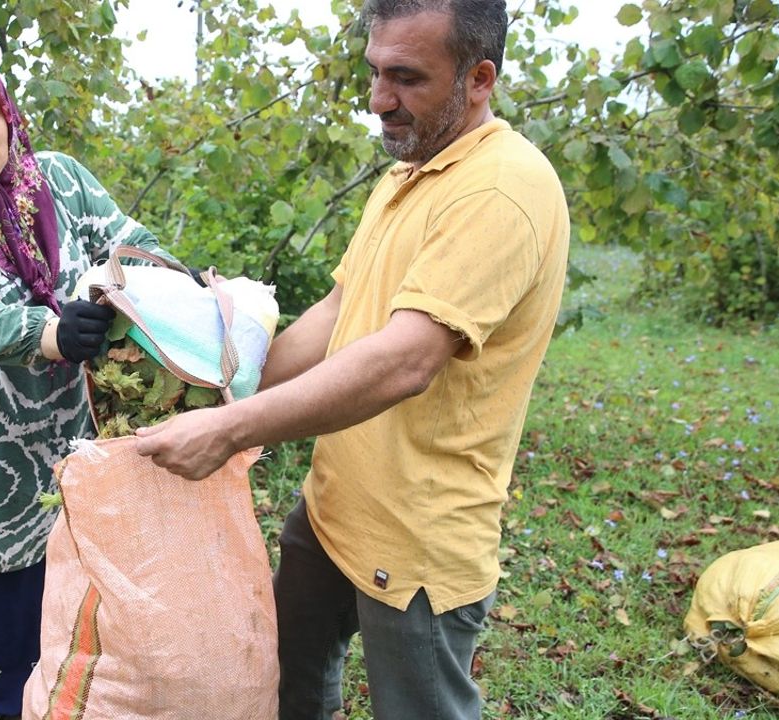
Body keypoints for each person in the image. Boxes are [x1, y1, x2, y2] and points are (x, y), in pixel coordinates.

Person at [135, 1, 570, 718]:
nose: (378, 100)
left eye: (406, 78)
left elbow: (405, 361)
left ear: (479, 78)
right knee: (291, 683)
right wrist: (215, 391)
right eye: (374, 72)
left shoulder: (500, 190)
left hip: (418, 537)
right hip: (336, 506)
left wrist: (232, 431)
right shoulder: (409, 174)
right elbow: (338, 314)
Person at [0, 52, 182, 720]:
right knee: (2, 646)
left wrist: (181, 290)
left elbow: (133, 247)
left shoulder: (60, 179)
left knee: (78, 611)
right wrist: (53, 335)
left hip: (77, 436)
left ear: (8, 114)